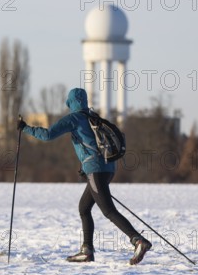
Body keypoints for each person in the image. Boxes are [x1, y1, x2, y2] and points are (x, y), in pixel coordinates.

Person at [17, 88, 152, 264]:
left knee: (108, 211)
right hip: (108, 168)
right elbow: (93, 144)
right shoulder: (92, 117)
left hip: (96, 169)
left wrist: (25, 128)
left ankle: (138, 241)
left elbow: (48, 135)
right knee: (84, 207)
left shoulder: (74, 118)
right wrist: (86, 167)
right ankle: (86, 250)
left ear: (70, 103)